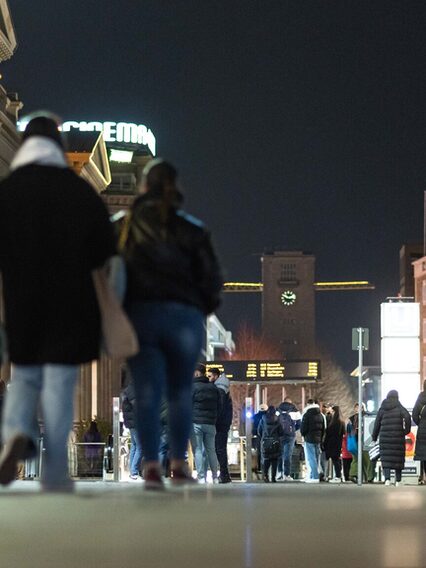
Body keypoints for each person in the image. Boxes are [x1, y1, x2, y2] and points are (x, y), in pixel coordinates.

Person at [0, 114, 116, 492]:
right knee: (60, 382)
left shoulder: (9, 190)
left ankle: (16, 431)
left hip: (22, 298)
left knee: (26, 374)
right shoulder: (78, 191)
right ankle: (53, 475)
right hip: (70, 303)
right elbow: (105, 248)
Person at [123, 158, 222, 489]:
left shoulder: (123, 226)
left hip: (141, 316)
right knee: (181, 392)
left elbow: (107, 270)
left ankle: (151, 466)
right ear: (176, 188)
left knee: (147, 393)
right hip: (184, 317)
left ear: (143, 187)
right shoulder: (193, 230)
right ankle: (179, 465)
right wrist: (199, 309)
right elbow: (212, 279)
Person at [372, 390, 411, 486]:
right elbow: (407, 417)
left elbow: (377, 424)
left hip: (385, 438)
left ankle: (387, 479)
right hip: (398, 437)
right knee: (398, 458)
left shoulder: (383, 408)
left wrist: (374, 437)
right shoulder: (399, 407)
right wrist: (406, 431)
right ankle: (398, 481)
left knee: (386, 458)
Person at [192, 364, 220, 483]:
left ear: (197, 373)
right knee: (211, 450)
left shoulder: (192, 387)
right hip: (211, 423)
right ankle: (215, 477)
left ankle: (201, 477)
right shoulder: (214, 388)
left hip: (196, 423)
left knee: (197, 450)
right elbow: (220, 406)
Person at [208, 367, 233, 483]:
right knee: (220, 448)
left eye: (210, 376)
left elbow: (220, 407)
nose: (209, 378)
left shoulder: (220, 389)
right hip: (224, 423)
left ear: (216, 376)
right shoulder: (222, 387)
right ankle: (224, 474)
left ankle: (224, 475)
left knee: (220, 449)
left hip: (220, 424)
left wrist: (214, 419)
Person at [121, 377, 142, 480]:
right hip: (135, 422)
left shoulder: (127, 390)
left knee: (134, 446)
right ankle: (133, 471)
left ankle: (132, 471)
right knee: (140, 446)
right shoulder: (133, 390)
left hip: (131, 422)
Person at [347, 402, 374, 483]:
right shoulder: (352, 419)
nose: (357, 409)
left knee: (366, 459)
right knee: (358, 458)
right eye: (356, 407)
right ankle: (354, 475)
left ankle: (367, 477)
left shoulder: (367, 417)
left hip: (365, 441)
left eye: (359, 407)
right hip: (357, 441)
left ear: (363, 408)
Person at [300, 399, 325, 483]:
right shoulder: (320, 415)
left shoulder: (307, 415)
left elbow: (303, 428)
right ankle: (313, 475)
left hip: (309, 438)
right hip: (318, 439)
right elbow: (323, 428)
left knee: (311, 458)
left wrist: (304, 435)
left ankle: (314, 476)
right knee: (317, 458)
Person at [277, 397, 301, 481]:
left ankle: (279, 473)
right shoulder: (295, 410)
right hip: (290, 436)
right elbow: (299, 423)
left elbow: (275, 422)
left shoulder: (278, 408)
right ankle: (287, 474)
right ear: (290, 402)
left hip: (279, 435)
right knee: (288, 455)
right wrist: (293, 429)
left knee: (280, 454)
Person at [258, 406, 283, 482]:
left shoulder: (263, 419)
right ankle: (273, 477)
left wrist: (263, 436)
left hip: (265, 441)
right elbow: (281, 431)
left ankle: (265, 476)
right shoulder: (277, 419)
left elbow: (259, 430)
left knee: (266, 459)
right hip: (275, 441)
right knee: (274, 460)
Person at [323, 405, 345, 483]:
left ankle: (337, 476)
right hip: (338, 443)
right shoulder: (341, 422)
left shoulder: (334, 422)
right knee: (337, 460)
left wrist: (325, 443)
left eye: (332, 411)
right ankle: (339, 476)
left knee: (335, 460)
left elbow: (328, 432)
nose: (331, 413)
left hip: (332, 443)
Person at [412, 380, 426, 485]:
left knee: (423, 455)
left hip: (423, 430)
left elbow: (414, 415)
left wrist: (420, 424)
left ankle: (423, 477)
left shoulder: (421, 397)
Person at [253, 403, 268, 473]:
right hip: (268, 436)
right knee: (268, 452)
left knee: (259, 452)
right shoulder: (268, 416)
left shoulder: (255, 416)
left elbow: (253, 427)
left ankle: (260, 468)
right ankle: (266, 468)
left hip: (258, 436)